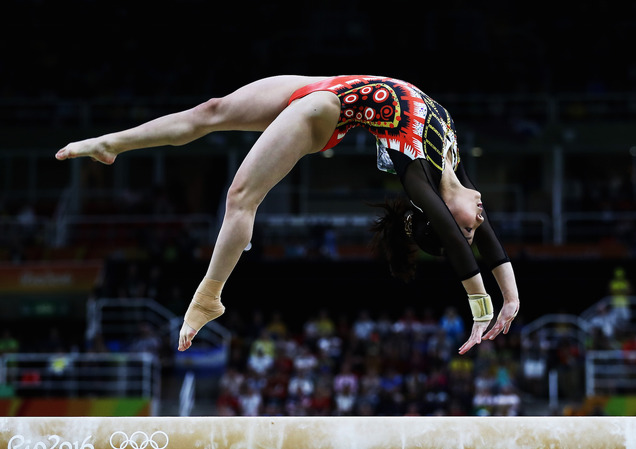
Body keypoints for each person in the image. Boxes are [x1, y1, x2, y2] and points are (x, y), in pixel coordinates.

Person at [55, 75, 520, 354]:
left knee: (240, 197)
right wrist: (510, 299)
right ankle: (111, 144)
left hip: (323, 112)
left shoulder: (418, 176)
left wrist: (479, 308)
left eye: (470, 226)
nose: (481, 218)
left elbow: (455, 236)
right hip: (325, 85)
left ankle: (208, 297)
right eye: (478, 223)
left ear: (436, 215)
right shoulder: (453, 167)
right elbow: (485, 242)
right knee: (209, 111)